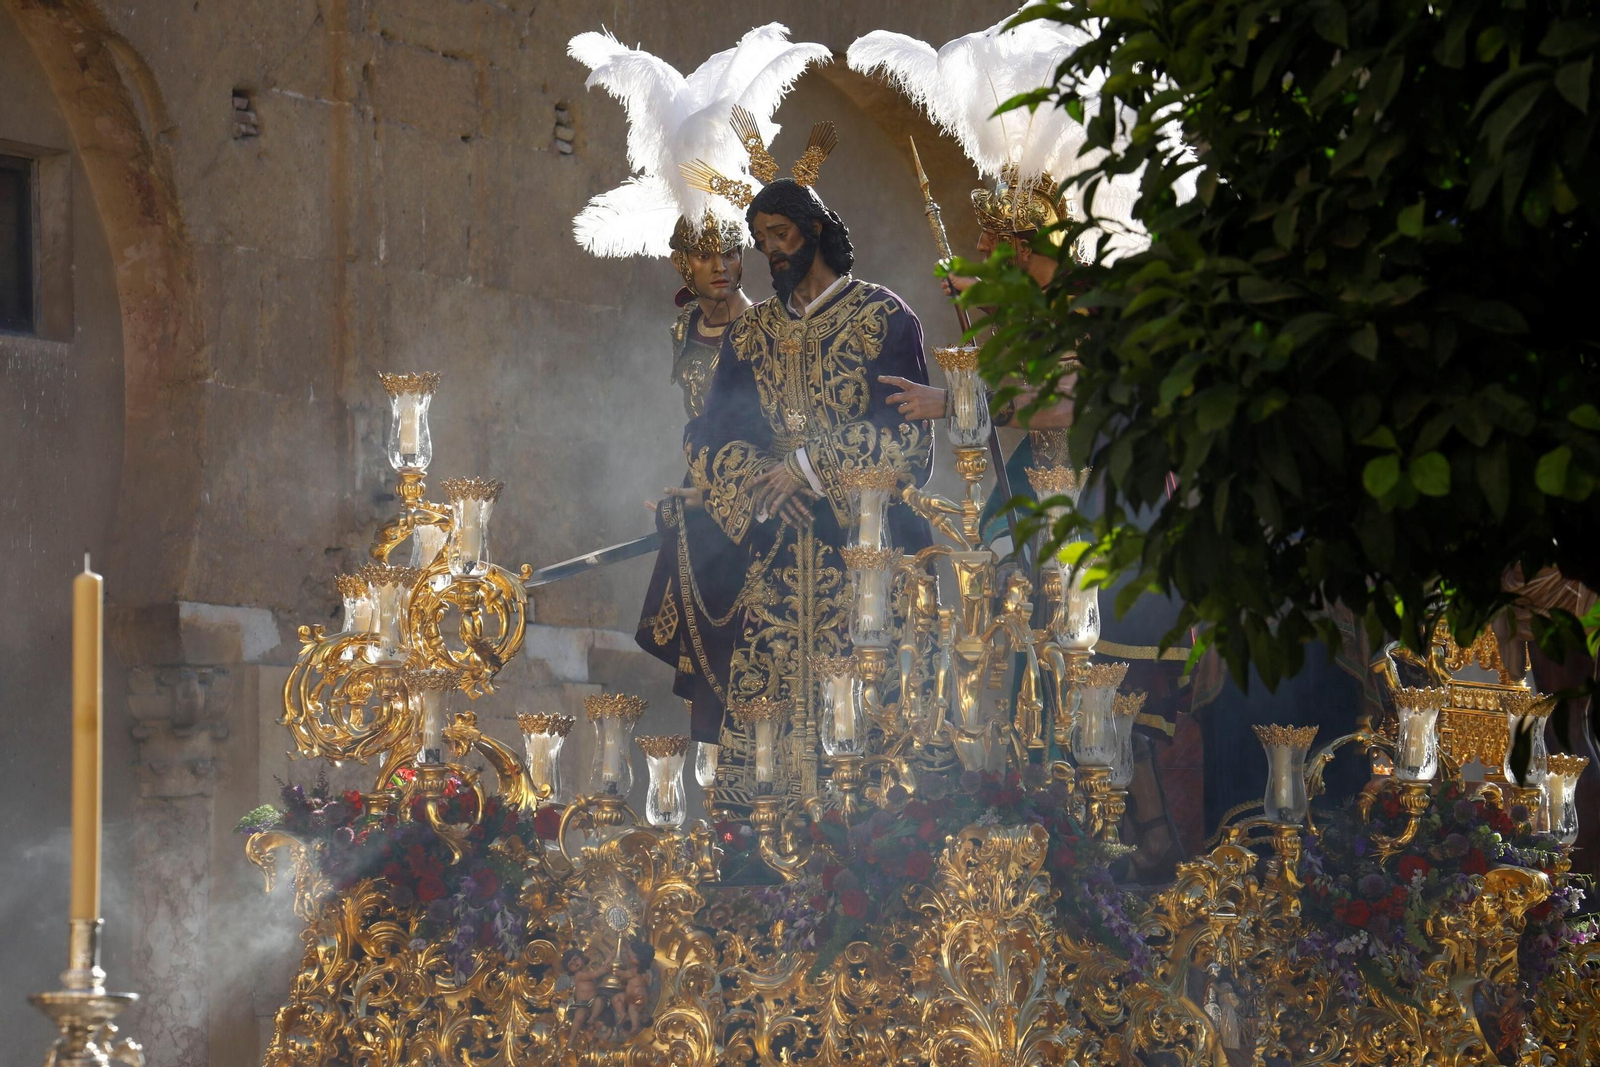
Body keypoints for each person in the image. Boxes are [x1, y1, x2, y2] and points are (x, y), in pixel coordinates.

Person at [569, 25, 830, 801]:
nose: (720, 266)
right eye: (705, 254)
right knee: (703, 677)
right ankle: (712, 793)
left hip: (764, 514)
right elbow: (701, 434)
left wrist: (718, 488)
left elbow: (777, 433)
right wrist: (682, 487)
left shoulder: (767, 328)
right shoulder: (682, 331)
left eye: (730, 252)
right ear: (682, 261)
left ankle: (761, 791)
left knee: (749, 659)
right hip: (703, 514)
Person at [684, 138, 936, 800]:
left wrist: (807, 465)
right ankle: (761, 842)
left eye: (781, 234)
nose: (771, 251)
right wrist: (762, 485)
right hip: (773, 555)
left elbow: (909, 439)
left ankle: (863, 849)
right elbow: (710, 440)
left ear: (815, 230)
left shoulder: (885, 318)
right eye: (761, 239)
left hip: (860, 553)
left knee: (860, 706)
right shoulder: (749, 334)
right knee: (768, 718)